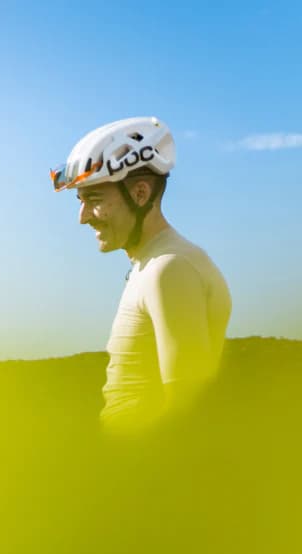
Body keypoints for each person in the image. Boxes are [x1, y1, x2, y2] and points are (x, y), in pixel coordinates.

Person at [50, 117, 232, 432]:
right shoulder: (151, 265)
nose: (82, 219)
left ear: (140, 193)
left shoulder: (170, 268)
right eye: (80, 201)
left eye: (94, 200)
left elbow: (189, 409)